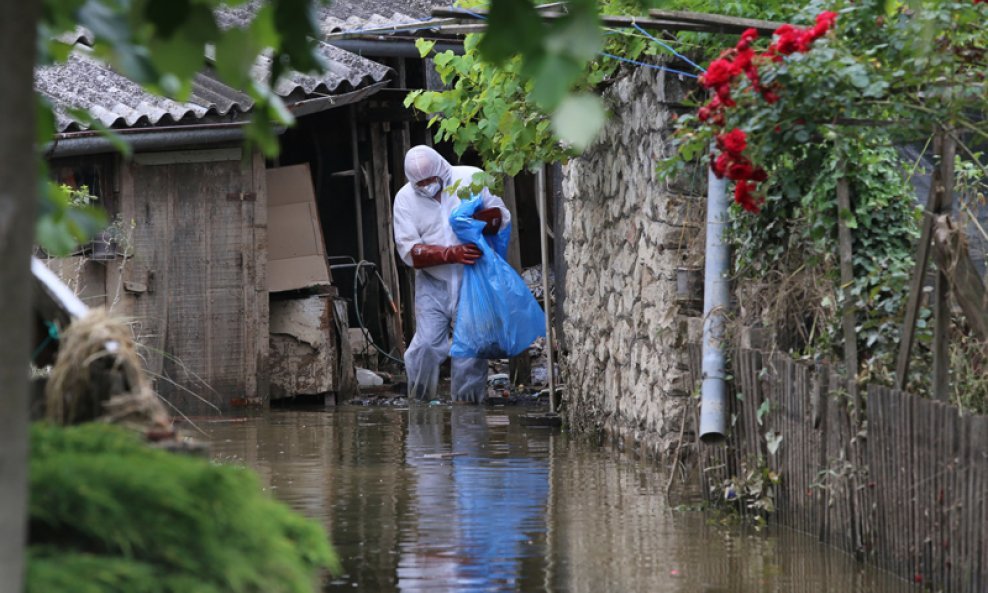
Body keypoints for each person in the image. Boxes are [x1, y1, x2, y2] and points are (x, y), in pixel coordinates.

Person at [393, 145, 510, 403]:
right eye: (419, 183)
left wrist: (481, 226)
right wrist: (450, 254)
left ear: (441, 170)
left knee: (469, 350)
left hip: (472, 278)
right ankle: (419, 404)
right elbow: (408, 249)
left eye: (430, 180)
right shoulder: (404, 199)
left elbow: (501, 217)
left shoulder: (470, 179)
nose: (426, 186)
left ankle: (468, 415)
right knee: (425, 346)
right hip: (433, 283)